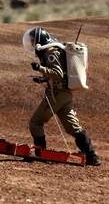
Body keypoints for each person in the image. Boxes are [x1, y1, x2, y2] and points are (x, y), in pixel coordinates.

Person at [22, 26, 101, 166]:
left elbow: (58, 74)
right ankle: (92, 156)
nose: (32, 43)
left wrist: (40, 68)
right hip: (65, 94)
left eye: (33, 41)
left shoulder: (50, 52)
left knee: (35, 122)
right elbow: (60, 74)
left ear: (40, 40)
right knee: (73, 128)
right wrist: (43, 78)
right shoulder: (55, 50)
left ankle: (40, 153)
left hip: (57, 94)